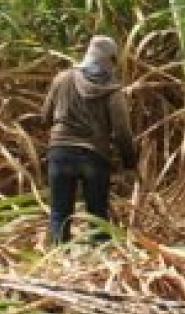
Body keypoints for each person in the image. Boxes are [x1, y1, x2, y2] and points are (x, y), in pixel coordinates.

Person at [40, 35, 137, 244]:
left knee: (59, 213)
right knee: (97, 215)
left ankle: (56, 263)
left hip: (60, 153)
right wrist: (130, 163)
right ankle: (101, 265)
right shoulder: (113, 91)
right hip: (94, 155)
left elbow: (45, 116)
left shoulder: (62, 79)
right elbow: (122, 131)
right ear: (110, 60)